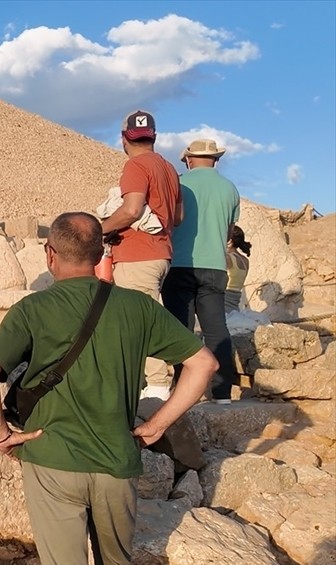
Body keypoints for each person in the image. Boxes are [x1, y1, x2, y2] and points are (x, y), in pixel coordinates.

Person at [0, 212, 218, 565]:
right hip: (116, 462)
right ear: (102, 252)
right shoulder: (138, 307)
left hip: (51, 460)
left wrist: (1, 434)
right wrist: (158, 424)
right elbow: (204, 363)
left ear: (50, 253)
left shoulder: (32, 308)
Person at [100, 110, 182, 399]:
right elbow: (179, 216)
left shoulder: (135, 166)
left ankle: (158, 386)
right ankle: (146, 384)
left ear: (124, 139)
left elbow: (132, 210)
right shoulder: (169, 168)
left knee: (139, 321)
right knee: (143, 316)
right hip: (161, 253)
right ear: (155, 137)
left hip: (137, 255)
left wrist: (101, 228)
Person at [164, 139, 241, 404]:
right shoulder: (230, 189)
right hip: (216, 267)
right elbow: (230, 230)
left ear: (188, 159)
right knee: (216, 329)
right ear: (216, 160)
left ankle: (185, 391)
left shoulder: (180, 183)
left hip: (181, 264)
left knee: (181, 331)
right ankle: (223, 393)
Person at [226, 225, 252, 312]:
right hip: (235, 304)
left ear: (229, 241)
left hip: (223, 303)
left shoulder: (228, 258)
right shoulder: (245, 261)